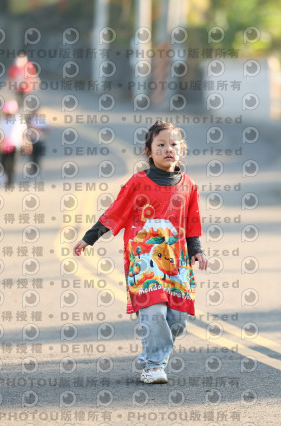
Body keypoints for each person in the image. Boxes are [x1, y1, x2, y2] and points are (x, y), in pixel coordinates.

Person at [73, 120, 208, 384]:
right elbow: (116, 211)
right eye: (161, 145)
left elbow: (192, 223)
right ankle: (154, 366)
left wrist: (197, 250)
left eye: (173, 144)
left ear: (181, 149)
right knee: (154, 312)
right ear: (149, 151)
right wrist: (89, 238)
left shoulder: (189, 185)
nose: (168, 149)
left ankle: (151, 355)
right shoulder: (138, 182)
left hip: (177, 263)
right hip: (143, 260)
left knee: (178, 320)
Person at [0, 100, 28, 188]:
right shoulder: (1, 120)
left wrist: (27, 144)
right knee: (3, 163)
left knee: (12, 163)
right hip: (3, 145)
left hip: (15, 145)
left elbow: (24, 133)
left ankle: (10, 182)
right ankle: (5, 179)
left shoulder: (18, 119)